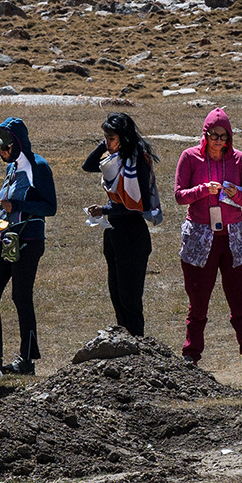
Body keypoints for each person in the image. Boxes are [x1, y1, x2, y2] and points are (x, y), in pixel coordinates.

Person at [174, 106, 242, 368]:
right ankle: (191, 354)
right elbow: (179, 195)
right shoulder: (189, 157)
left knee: (240, 300)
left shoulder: (239, 160)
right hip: (200, 238)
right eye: (214, 135)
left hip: (234, 238)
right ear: (205, 134)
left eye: (224, 136)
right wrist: (202, 190)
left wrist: (236, 195)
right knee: (198, 301)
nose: (219, 141)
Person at [0, 116, 56, 375]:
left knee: (21, 298)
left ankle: (26, 361)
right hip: (4, 239)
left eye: (5, 147)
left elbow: (50, 207)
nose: (2, 152)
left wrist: (18, 206)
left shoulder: (38, 166)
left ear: (18, 144)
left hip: (28, 241)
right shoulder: (11, 167)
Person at [81, 111, 163, 337]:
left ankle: (137, 346)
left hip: (132, 236)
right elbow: (88, 165)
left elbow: (139, 205)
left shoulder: (136, 161)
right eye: (105, 138)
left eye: (111, 138)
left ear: (124, 138)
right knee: (117, 298)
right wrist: (104, 143)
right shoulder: (114, 159)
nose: (107, 144)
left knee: (130, 300)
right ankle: (125, 345)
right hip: (114, 234)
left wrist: (105, 209)